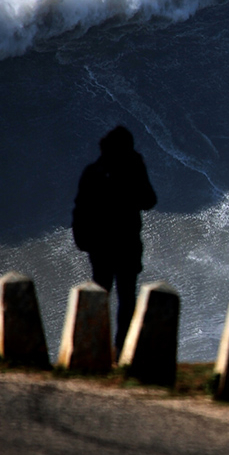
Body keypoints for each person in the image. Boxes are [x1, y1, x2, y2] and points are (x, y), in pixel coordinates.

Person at [72, 126, 158, 353]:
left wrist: (82, 240)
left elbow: (80, 209)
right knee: (126, 299)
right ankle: (122, 351)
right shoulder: (131, 170)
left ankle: (91, 348)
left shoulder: (92, 172)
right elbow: (149, 200)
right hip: (126, 245)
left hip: (100, 248)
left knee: (99, 296)